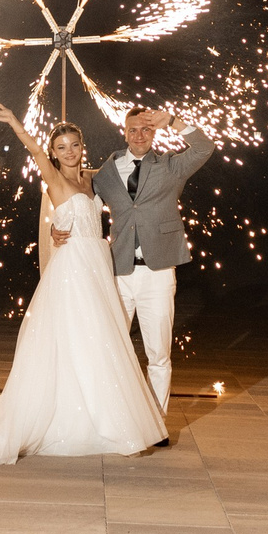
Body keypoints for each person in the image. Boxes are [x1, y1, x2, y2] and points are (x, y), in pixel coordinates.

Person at [0, 111, 167, 465]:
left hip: (98, 265)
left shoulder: (94, 180)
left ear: (82, 147)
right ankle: (86, 421)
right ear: (54, 152)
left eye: (74, 145)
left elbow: (124, 175)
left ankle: (108, 419)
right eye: (61, 147)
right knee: (76, 337)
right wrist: (15, 123)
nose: (69, 151)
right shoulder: (54, 178)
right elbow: (33, 151)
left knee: (101, 339)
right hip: (73, 268)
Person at [94, 105, 214, 416]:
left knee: (158, 353)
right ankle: (115, 415)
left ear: (155, 133)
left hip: (158, 273)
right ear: (124, 132)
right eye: (133, 129)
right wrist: (57, 227)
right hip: (119, 272)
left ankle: (157, 420)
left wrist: (174, 121)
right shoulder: (106, 171)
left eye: (146, 129)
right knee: (111, 348)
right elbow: (79, 199)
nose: (139, 135)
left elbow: (205, 146)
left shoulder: (170, 166)